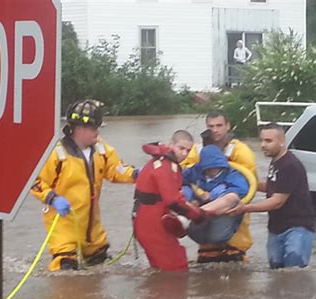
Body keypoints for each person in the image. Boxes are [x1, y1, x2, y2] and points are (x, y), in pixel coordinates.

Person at [31, 99, 138, 271]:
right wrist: (52, 198)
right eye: (94, 128)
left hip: (92, 230)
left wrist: (135, 174)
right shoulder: (56, 153)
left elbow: (115, 169)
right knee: (65, 276)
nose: (97, 133)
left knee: (99, 275)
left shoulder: (102, 150)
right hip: (64, 225)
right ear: (80, 129)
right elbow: (35, 181)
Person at [228, 123, 315, 269]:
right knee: (276, 274)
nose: (263, 145)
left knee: (294, 275)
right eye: (261, 140)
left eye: (268, 141)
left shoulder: (290, 165)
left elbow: (277, 201)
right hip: (276, 228)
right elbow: (272, 186)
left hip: (296, 229)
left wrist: (245, 208)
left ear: (282, 141)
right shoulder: (276, 161)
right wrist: (247, 184)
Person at [181, 111, 257, 262]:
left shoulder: (241, 151)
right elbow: (184, 171)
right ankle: (183, 218)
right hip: (204, 229)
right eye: (211, 126)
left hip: (232, 223)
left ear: (228, 126)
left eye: (219, 125)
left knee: (237, 279)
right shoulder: (198, 150)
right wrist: (200, 193)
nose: (215, 130)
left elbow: (248, 185)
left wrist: (224, 192)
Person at [133, 130, 207, 272]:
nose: (184, 154)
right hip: (151, 223)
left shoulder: (159, 162)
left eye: (188, 150)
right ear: (171, 144)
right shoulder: (166, 166)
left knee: (162, 270)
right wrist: (198, 215)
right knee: (176, 269)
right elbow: (173, 201)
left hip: (144, 220)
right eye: (181, 148)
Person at [173, 145, 249, 251]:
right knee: (183, 191)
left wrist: (223, 192)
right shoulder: (195, 171)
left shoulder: (232, 174)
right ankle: (186, 216)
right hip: (200, 216)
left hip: (223, 214)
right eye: (208, 168)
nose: (211, 171)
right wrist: (190, 195)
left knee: (232, 197)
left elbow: (242, 190)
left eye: (215, 168)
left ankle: (191, 214)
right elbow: (177, 178)